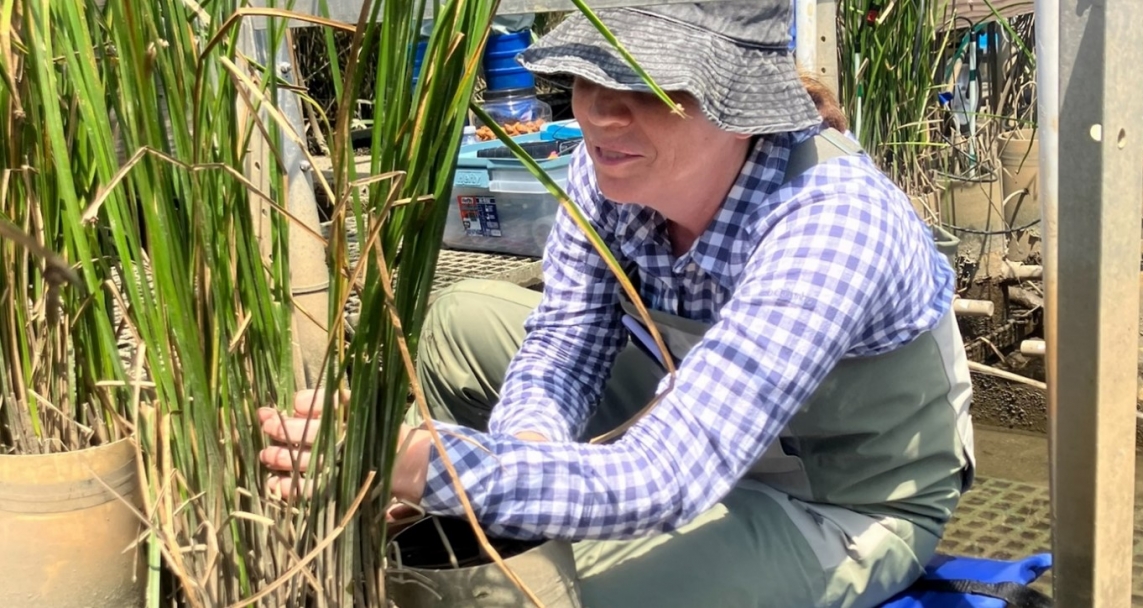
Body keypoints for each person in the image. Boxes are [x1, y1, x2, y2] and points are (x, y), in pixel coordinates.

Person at [258, 2, 976, 607]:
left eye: (649, 83)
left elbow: (666, 477)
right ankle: (483, 523)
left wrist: (421, 463)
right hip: (689, 420)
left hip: (832, 496)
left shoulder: (831, 222)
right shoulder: (603, 170)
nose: (600, 111)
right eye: (587, 73)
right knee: (465, 318)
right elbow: (563, 347)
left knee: (556, 594)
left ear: (741, 104)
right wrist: (521, 455)